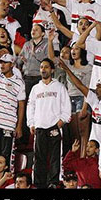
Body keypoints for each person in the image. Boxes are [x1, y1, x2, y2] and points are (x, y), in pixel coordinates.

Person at [26, 58, 71, 188]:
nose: (43, 69)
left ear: (52, 70)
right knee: (39, 157)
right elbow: (31, 107)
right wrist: (31, 123)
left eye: (46, 67)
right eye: (41, 67)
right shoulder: (35, 88)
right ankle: (39, 184)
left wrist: (62, 121)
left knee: (55, 157)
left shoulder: (59, 87)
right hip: (39, 126)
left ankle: (53, 182)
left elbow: (66, 106)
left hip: (54, 127)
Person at [0, 54, 25, 168]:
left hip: (8, 125)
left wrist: (19, 126)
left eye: (5, 62)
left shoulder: (19, 83)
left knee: (5, 158)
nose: (2, 65)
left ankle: (6, 183)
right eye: (1, 62)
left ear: (12, 64)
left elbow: (21, 105)